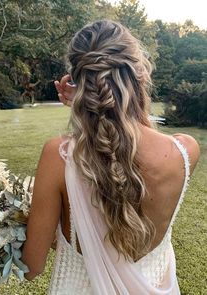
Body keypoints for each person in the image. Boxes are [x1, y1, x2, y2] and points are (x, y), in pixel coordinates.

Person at [21, 20, 200, 294]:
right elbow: (136, 137)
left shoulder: (59, 157)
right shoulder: (185, 151)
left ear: (80, 82)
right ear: (140, 72)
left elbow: (31, 268)